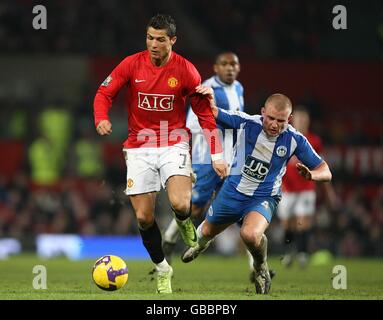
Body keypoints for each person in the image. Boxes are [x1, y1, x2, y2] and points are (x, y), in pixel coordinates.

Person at [93, 14, 228, 294]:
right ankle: (163, 267)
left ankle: (184, 222)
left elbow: (205, 116)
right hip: (139, 147)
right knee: (144, 217)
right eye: (150, 38)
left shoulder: (186, 71)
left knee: (180, 204)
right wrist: (101, 118)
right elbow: (104, 93)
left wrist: (216, 155)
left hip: (173, 141)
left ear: (173, 41)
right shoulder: (131, 64)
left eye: (160, 39)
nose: (153, 44)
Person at [181, 88, 332, 294]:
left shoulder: (295, 139)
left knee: (250, 234)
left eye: (281, 121)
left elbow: (325, 170)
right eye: (270, 118)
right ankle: (201, 243)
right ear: (262, 112)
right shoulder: (246, 122)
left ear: (290, 118)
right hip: (232, 193)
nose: (274, 125)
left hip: (263, 197)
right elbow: (211, 112)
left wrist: (312, 176)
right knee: (206, 231)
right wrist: (207, 98)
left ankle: (261, 267)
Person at [162, 52, 243, 262]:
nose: (229, 68)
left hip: (234, 158)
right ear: (216, 68)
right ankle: (169, 237)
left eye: (233, 64)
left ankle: (257, 267)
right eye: (224, 64)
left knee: (240, 206)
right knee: (196, 207)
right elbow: (192, 124)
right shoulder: (207, 88)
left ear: (238, 67)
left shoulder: (238, 88)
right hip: (206, 157)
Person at [277, 105, 338, 268]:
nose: (302, 121)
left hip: (306, 189)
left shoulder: (314, 141)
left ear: (308, 121)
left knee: (303, 221)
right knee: (287, 223)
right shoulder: (285, 137)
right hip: (286, 188)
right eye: (299, 118)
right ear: (293, 119)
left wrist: (329, 192)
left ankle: (303, 253)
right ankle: (288, 252)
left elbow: (321, 166)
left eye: (305, 119)